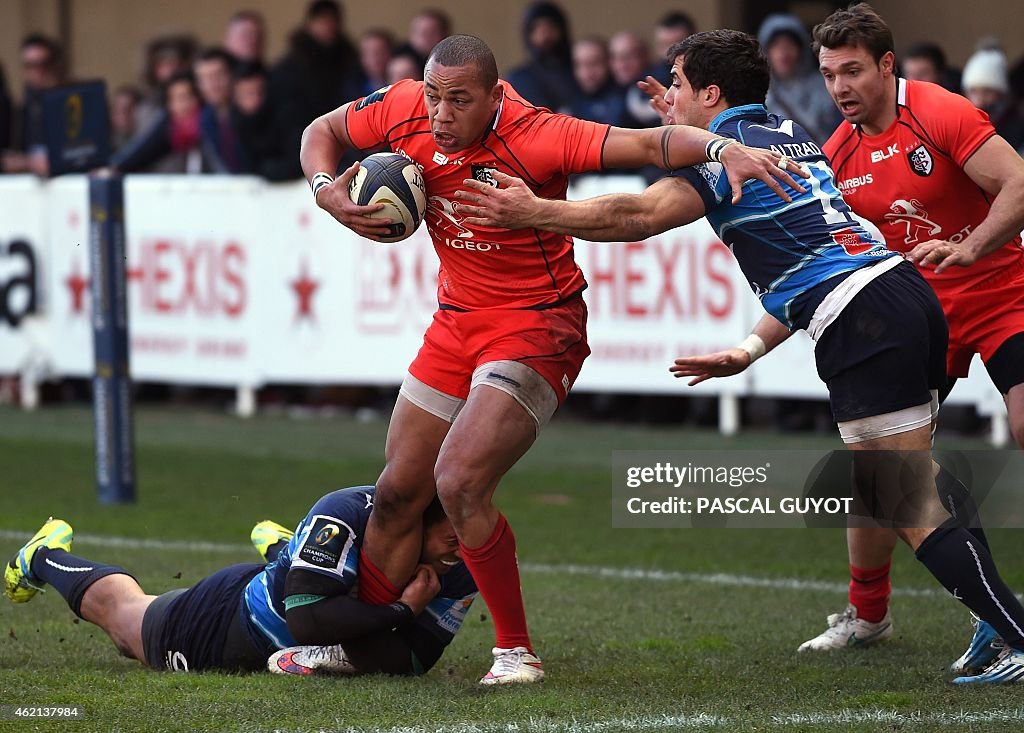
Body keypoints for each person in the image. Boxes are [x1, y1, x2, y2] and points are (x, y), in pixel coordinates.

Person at [454, 29, 1024, 686]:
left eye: (677, 84)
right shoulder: (793, 130)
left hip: (865, 316)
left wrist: (536, 210)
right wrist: (750, 345)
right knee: (901, 484)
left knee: (905, 501)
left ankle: (1012, 628)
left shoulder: (728, 156)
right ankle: (987, 618)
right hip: (903, 295)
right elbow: (803, 247)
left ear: (712, 92)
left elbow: (639, 215)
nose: (667, 97)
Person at [300, 33, 805, 685]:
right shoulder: (402, 107)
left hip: (539, 326)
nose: (440, 114)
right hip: (455, 324)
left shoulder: (536, 134)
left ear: (494, 97)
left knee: (457, 479)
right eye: (433, 97)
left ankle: (515, 652)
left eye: (459, 101)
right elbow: (323, 128)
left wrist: (720, 146)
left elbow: (647, 143)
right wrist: (325, 189)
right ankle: (359, 637)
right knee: (399, 489)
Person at [796, 3, 1024, 678]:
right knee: (881, 467)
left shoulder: (940, 111)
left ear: (887, 66)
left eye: (853, 70)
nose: (839, 87)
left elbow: (1017, 184)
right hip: (923, 316)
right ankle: (869, 613)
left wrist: (972, 245)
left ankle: (994, 616)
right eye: (829, 73)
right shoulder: (837, 154)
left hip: (1004, 294)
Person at [4, 487, 475, 676]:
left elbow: (415, 659)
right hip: (232, 619)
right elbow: (308, 625)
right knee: (130, 625)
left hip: (290, 594)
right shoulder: (346, 514)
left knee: (312, 583)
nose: (460, 541)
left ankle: (286, 551)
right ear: (418, 518)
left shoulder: (465, 560)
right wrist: (401, 612)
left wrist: (349, 645)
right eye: (448, 528)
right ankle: (44, 554)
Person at [757, 14, 843, 145]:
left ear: (801, 49)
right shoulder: (757, 90)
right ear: (765, 51)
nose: (783, 52)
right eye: (776, 45)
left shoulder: (825, 86)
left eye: (789, 44)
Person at [506, 1, 577, 112]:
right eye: (537, 27)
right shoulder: (519, 80)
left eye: (550, 26)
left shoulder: (581, 72)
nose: (544, 33)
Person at [960, 49, 1024, 153]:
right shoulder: (961, 124)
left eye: (987, 91)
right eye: (973, 91)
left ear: (1001, 93)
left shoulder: (1017, 127)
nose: (980, 98)